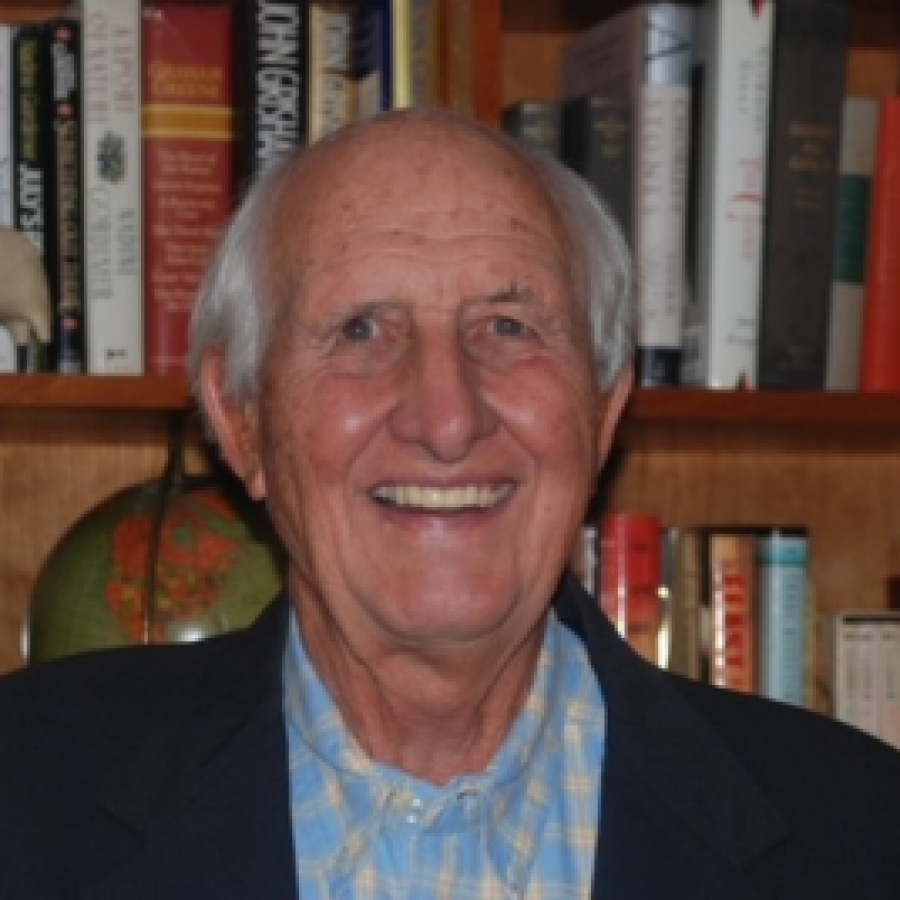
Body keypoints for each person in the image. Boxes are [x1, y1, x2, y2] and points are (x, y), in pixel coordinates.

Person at [1, 109, 899, 899]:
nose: (448, 418)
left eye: (508, 328)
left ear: (604, 408)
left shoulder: (861, 835)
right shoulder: (24, 793)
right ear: (241, 421)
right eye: (360, 330)